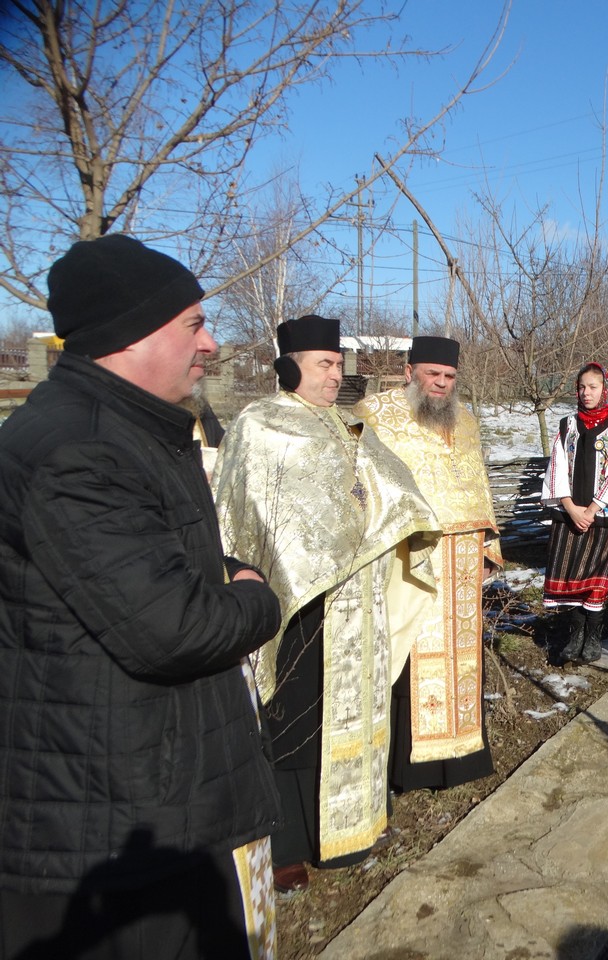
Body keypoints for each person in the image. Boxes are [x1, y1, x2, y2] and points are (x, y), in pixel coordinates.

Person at [0, 235, 282, 959]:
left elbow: (154, 563)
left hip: (153, 803)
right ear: (130, 334)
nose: (212, 343)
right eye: (193, 323)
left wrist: (219, 573)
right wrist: (256, 597)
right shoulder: (76, 450)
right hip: (107, 825)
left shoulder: (126, 429)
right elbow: (172, 626)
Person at [212, 315, 440, 894]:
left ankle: (349, 831)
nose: (337, 375)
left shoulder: (348, 424)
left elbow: (391, 488)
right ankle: (286, 844)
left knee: (356, 711)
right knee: (293, 719)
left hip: (357, 599)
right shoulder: (259, 426)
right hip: (297, 601)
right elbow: (245, 518)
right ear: (291, 367)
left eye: (340, 365)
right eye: (325, 365)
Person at [354, 335, 503, 793]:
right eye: (432, 374)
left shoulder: (467, 422)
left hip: (459, 559)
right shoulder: (374, 416)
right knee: (410, 652)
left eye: (449, 377)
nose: (440, 383)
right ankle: (406, 766)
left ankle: (461, 756)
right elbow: (362, 487)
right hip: (408, 556)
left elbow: (477, 486)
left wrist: (486, 552)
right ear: (409, 371)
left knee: (461, 658)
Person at [541, 362, 608, 665]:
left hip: (603, 515)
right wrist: (570, 507)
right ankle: (574, 636)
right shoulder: (567, 425)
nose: (586, 393)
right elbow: (556, 466)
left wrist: (593, 509)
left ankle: (593, 637)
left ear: (604, 389)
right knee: (572, 575)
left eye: (593, 387)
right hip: (570, 513)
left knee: (595, 578)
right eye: (582, 387)